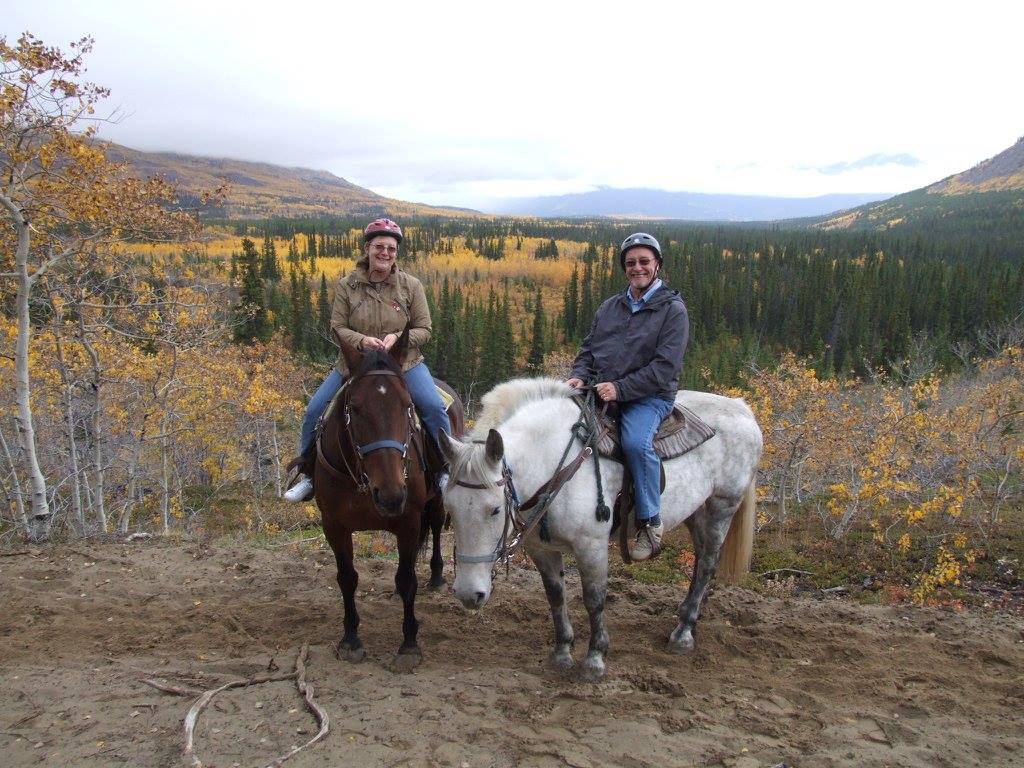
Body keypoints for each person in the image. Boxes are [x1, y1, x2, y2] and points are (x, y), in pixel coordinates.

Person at [284, 218, 452, 502]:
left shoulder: (411, 286)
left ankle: (446, 471)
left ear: (396, 253)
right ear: (367, 248)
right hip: (355, 364)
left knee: (435, 408)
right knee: (314, 411)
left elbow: (425, 328)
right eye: (379, 247)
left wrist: (399, 338)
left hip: (404, 364)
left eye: (391, 248)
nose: (385, 253)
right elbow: (337, 326)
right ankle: (310, 476)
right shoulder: (347, 286)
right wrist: (361, 341)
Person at [566, 232, 689, 560]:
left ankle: (650, 521)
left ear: (657, 265)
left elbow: (663, 368)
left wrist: (621, 389)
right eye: (631, 262)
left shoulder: (672, 310)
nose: (637, 268)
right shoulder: (611, 307)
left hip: (649, 397)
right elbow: (589, 348)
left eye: (644, 261)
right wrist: (579, 375)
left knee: (636, 444)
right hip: (602, 389)